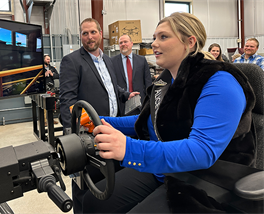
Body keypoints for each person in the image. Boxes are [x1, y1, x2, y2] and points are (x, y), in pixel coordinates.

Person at [82, 12, 255, 213]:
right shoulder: (165, 82)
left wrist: (129, 148)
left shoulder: (219, 82)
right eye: (154, 37)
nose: (154, 43)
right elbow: (147, 120)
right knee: (93, 201)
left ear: (190, 42)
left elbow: (201, 151)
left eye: (163, 37)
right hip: (164, 169)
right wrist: (100, 122)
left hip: (203, 178)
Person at [59, 17, 138, 214]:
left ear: (101, 34)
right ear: (81, 37)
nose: (89, 37)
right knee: (85, 187)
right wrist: (75, 139)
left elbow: (110, 87)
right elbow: (67, 101)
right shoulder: (72, 61)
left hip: (114, 132)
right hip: (88, 138)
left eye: (93, 32)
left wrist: (125, 94)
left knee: (110, 183)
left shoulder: (108, 60)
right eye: (85, 33)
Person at [111, 34, 152, 115]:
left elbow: (148, 82)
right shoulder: (112, 61)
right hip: (121, 103)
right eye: (120, 43)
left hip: (140, 102)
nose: (123, 44)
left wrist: (149, 101)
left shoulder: (141, 60)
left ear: (131, 43)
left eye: (125, 42)